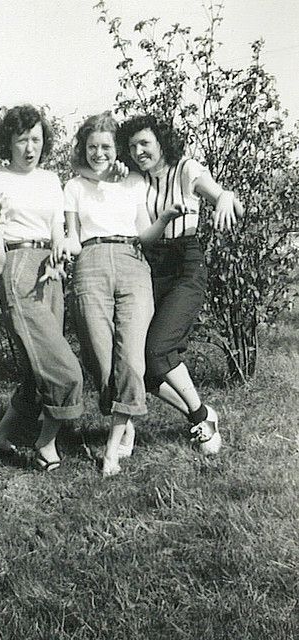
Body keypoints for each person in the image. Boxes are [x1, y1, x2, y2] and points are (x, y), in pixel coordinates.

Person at [54, 112, 186, 476]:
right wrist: (65, 243)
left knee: (132, 359)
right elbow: (73, 235)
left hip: (131, 261)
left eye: (106, 147)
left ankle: (112, 448)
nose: (99, 153)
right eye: (92, 147)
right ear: (84, 148)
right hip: (90, 264)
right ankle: (125, 420)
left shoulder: (134, 181)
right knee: (101, 361)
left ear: (117, 150)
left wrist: (166, 218)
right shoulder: (74, 187)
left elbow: (145, 233)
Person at [117, 114, 243, 455]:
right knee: (140, 363)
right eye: (132, 146)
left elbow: (217, 194)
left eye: (145, 143)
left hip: (186, 263)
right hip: (150, 266)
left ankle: (201, 418)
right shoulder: (134, 179)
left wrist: (226, 197)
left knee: (158, 348)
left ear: (161, 142)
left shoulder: (184, 169)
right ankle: (201, 415)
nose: (139, 151)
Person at [0, 104, 83, 471]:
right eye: (21, 139)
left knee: (34, 365)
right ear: (8, 142)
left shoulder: (50, 180)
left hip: (50, 269)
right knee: (61, 366)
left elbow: (58, 228)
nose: (29, 147)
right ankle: (45, 444)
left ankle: (1, 436)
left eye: (36, 139)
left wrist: (58, 253)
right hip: (19, 265)